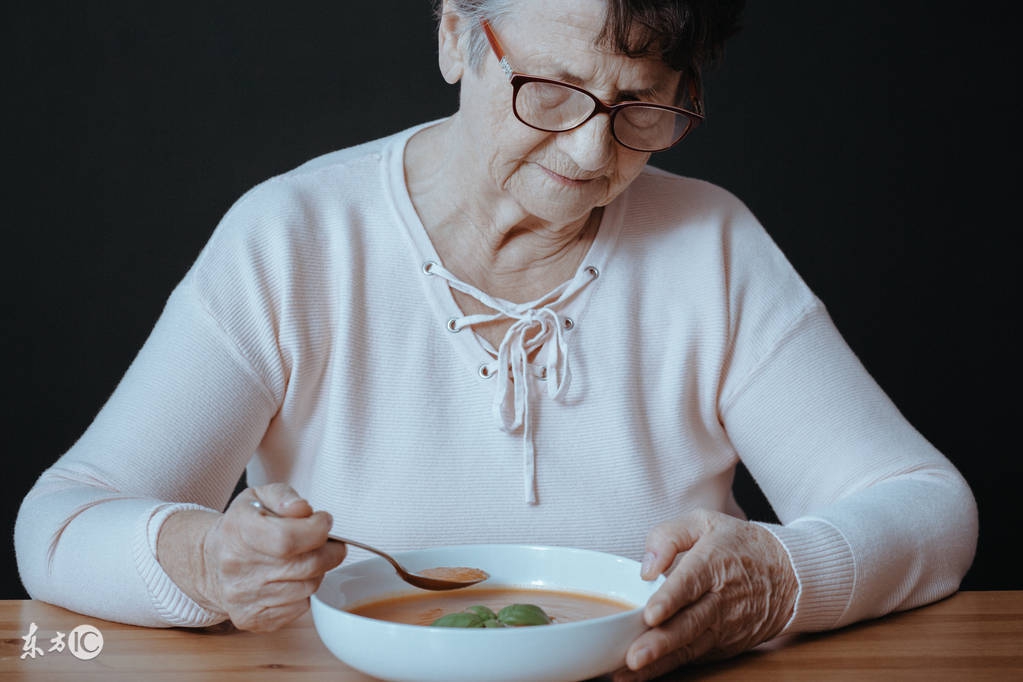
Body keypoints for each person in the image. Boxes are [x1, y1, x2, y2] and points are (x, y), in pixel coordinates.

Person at [15, 0, 977, 679]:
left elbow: (929, 510)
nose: (590, 154)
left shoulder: (708, 245)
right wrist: (205, 562)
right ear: (453, 36)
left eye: (641, 105)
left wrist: (776, 580)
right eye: (549, 89)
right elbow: (56, 527)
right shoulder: (296, 237)